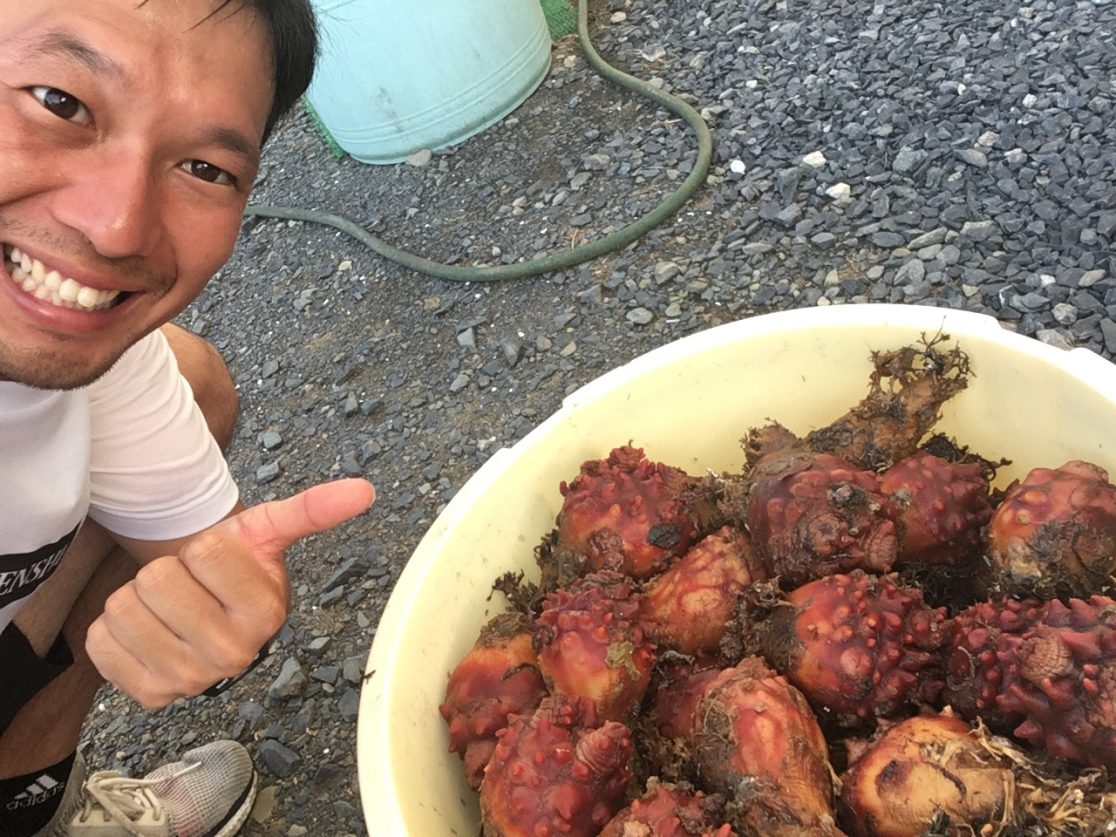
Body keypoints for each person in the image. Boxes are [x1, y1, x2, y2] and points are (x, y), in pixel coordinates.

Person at [0, 1, 375, 834]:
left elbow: (209, 559)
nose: (117, 228)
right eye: (60, 101)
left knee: (197, 383)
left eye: (205, 167)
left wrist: (226, 605)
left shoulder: (95, 342)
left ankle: (36, 800)